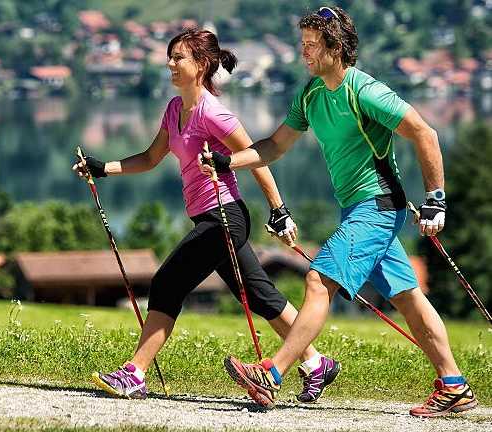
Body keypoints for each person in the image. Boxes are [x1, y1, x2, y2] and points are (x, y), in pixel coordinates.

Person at [199, 7, 477, 417]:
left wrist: (435, 197)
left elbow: (425, 133)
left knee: (318, 279)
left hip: (378, 206)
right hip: (357, 210)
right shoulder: (311, 94)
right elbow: (274, 146)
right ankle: (454, 386)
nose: (304, 52)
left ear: (336, 47)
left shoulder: (365, 91)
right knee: (408, 297)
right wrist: (228, 162)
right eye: (303, 44)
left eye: (312, 45)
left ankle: (271, 373)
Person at [73, 28, 339, 403]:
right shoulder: (174, 110)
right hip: (207, 218)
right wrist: (103, 168)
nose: (170, 63)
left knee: (167, 283)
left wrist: (279, 210)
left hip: (224, 218)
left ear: (201, 65)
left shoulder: (213, 113)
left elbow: (257, 158)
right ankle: (315, 363)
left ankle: (134, 373)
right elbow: (150, 158)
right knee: (260, 296)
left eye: (178, 57)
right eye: (169, 56)